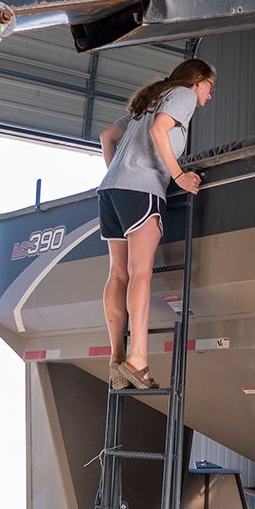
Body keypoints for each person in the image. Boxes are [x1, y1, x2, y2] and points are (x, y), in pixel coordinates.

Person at [98, 59, 215, 390]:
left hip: (111, 190)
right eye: (210, 86)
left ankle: (117, 359)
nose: (210, 94)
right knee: (140, 273)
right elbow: (159, 129)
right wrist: (179, 176)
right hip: (141, 190)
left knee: (117, 273)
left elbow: (107, 136)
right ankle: (137, 360)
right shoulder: (183, 95)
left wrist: (119, 173)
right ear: (198, 80)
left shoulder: (152, 97)